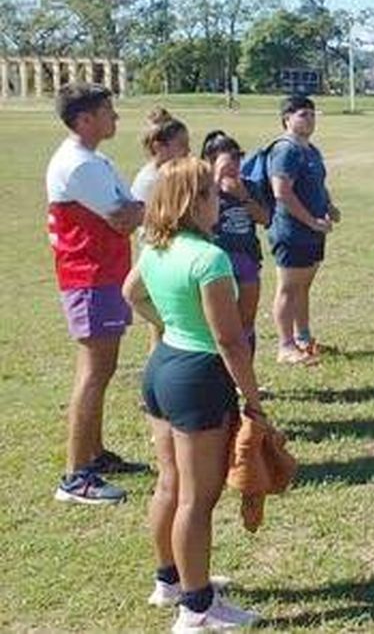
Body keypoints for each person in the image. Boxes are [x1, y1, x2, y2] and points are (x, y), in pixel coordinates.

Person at [122, 158, 264, 630]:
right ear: (193, 201)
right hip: (198, 378)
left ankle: (170, 580)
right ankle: (197, 608)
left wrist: (168, 325)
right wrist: (254, 401)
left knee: (170, 485)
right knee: (196, 501)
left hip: (162, 369)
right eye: (211, 192)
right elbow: (229, 341)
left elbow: (132, 293)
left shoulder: (156, 246)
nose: (219, 200)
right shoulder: (209, 258)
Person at [46, 83, 148, 504]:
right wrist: (139, 211)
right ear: (85, 119)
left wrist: (137, 210)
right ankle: (75, 477)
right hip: (90, 277)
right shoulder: (79, 165)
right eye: (108, 111)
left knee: (101, 372)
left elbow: (132, 206)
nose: (116, 117)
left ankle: (95, 454)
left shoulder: (95, 159)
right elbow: (126, 218)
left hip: (103, 274)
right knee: (93, 373)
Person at [267, 95, 338, 365]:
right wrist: (310, 221)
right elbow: (281, 192)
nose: (309, 119)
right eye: (302, 114)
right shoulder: (286, 150)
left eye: (311, 113)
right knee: (288, 288)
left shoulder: (311, 150)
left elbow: (318, 183)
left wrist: (329, 206)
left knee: (303, 287)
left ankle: (303, 338)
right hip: (292, 231)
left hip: (314, 229)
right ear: (287, 118)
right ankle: (285, 346)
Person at [201, 131, 270, 358]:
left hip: (247, 259)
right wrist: (213, 188)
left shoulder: (248, 186)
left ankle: (245, 372)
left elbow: (265, 219)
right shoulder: (201, 190)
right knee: (217, 322)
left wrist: (243, 196)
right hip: (216, 263)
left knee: (246, 319)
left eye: (238, 160)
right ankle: (217, 371)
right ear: (210, 162)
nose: (235, 167)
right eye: (228, 162)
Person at [131, 108, 191, 203]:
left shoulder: (170, 175)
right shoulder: (153, 181)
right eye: (182, 144)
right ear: (158, 148)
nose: (188, 150)